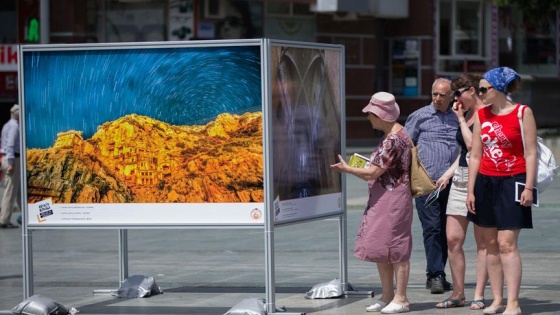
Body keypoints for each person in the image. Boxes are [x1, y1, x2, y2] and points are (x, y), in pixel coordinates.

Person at [331, 92, 412, 314]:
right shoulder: (395, 134)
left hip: (393, 199)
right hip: (385, 197)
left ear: (381, 115)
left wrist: (347, 169)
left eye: (371, 114)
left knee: (396, 247)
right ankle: (387, 295)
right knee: (380, 246)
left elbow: (373, 173)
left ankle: (401, 298)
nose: (368, 118)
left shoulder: (393, 140)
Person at [466, 67, 535, 315]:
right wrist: (471, 190)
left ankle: (513, 303)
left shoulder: (522, 113)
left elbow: (530, 152)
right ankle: (496, 300)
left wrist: (529, 186)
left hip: (513, 180)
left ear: (499, 89)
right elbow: (475, 155)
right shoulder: (481, 115)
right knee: (491, 243)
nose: (480, 93)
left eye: (484, 89)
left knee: (507, 244)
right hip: (485, 182)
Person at [434, 74, 489, 309]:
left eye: (458, 93)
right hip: (460, 179)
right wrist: (447, 174)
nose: (455, 98)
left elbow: (472, 146)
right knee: (453, 238)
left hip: (482, 179)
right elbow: (464, 155)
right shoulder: (466, 115)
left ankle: (478, 294)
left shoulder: (487, 114)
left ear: (472, 91)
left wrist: (458, 120)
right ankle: (458, 293)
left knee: (483, 242)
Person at [404, 78, 459, 294]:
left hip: (454, 183)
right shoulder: (419, 116)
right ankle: (436, 275)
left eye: (442, 95)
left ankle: (438, 273)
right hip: (427, 184)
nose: (437, 98)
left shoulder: (458, 117)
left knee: (449, 231)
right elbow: (405, 146)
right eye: (434, 93)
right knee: (432, 228)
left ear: (452, 96)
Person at [0, 104, 21, 229]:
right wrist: (11, 163)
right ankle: (4, 220)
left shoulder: (6, 125)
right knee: (10, 191)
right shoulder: (14, 126)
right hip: (12, 159)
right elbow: (11, 144)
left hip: (7, 158)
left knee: (18, 191)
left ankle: (25, 217)